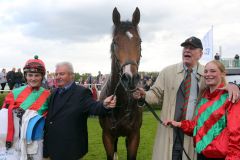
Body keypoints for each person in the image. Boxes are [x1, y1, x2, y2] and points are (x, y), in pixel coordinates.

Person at [133, 36, 240, 160]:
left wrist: (234, 86)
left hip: (194, 134)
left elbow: (220, 87)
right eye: (185, 47)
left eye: (192, 48)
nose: (187, 50)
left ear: (200, 53)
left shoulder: (205, 73)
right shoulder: (168, 72)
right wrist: (144, 95)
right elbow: (155, 94)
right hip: (171, 129)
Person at [164, 60, 240, 159]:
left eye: (213, 71)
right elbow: (198, 126)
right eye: (206, 71)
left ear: (222, 74)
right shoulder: (204, 97)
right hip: (201, 155)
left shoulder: (230, 97)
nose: (208, 74)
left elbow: (236, 134)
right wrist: (179, 124)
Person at [43, 62, 116, 160]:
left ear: (72, 76)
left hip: (70, 149)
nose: (58, 77)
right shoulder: (54, 92)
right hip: (53, 147)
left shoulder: (81, 92)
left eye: (62, 74)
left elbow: (93, 107)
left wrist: (104, 105)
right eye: (56, 74)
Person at [0, 55, 50, 159]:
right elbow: (5, 116)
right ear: (25, 76)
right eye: (30, 75)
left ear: (42, 76)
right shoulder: (14, 93)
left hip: (38, 140)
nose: (33, 78)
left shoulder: (48, 95)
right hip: (16, 140)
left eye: (37, 75)